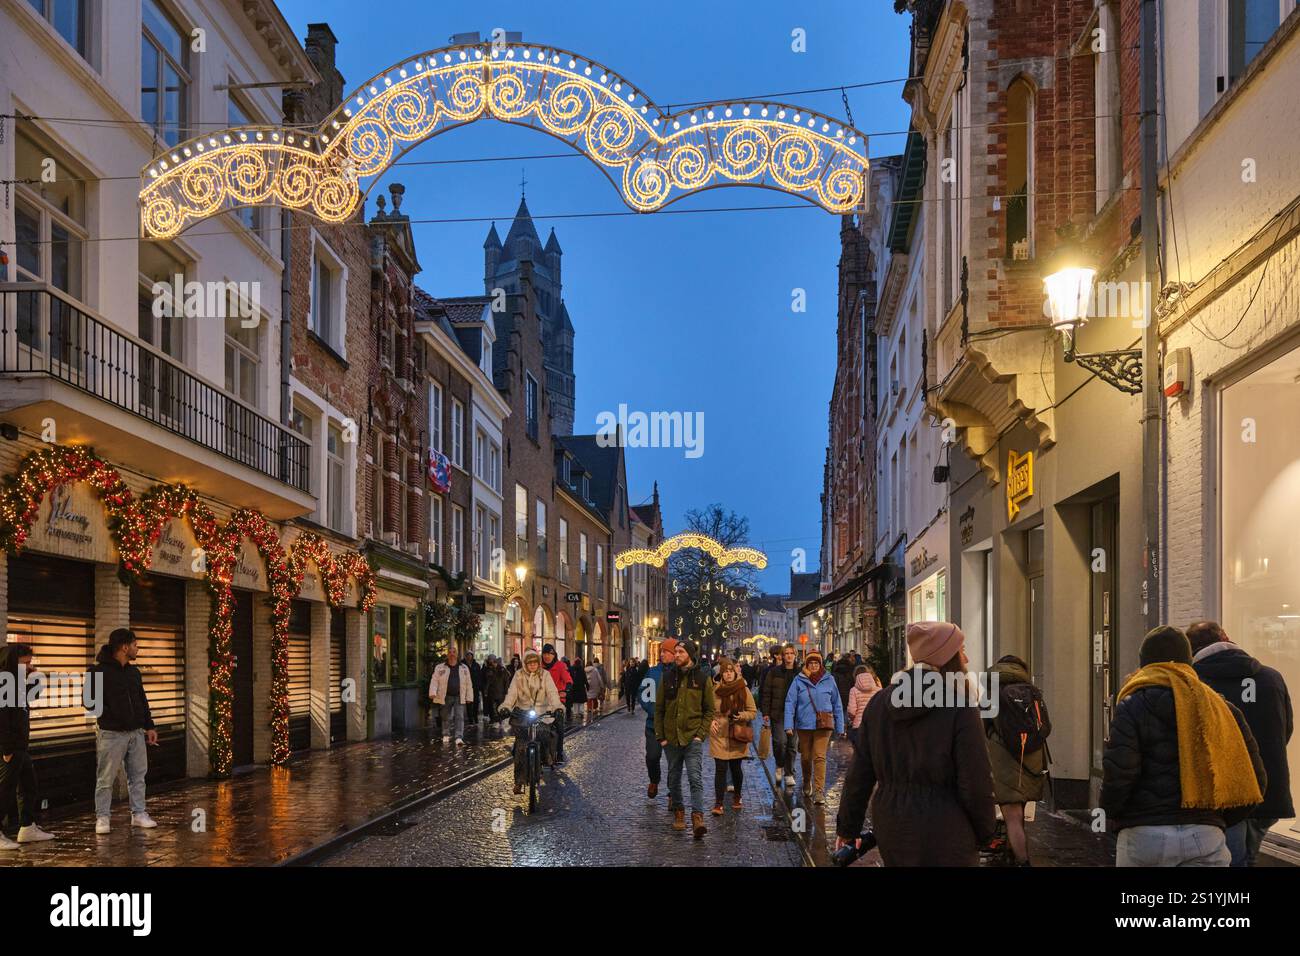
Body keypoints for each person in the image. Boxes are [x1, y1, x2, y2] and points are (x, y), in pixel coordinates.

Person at [1101, 626, 1266, 867]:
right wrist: (1215, 820)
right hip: (1205, 835)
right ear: (1189, 661)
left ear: (1145, 663)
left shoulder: (1132, 706)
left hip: (1145, 834)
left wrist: (1114, 815)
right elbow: (1253, 779)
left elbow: (1119, 774)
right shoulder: (1222, 708)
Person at [835, 622, 997, 866]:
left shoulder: (879, 704)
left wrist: (848, 828)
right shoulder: (960, 708)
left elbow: (860, 773)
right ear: (946, 659)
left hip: (892, 825)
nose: (966, 658)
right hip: (948, 828)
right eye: (961, 651)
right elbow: (975, 782)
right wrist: (985, 832)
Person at [1188, 620, 1294, 866]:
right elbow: (1285, 730)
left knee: (1232, 859)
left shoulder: (1195, 684)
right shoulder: (1271, 677)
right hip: (1269, 788)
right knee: (1248, 857)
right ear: (1225, 637)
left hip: (1226, 793)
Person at [90, 628, 159, 834]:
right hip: (111, 734)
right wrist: (113, 717)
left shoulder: (133, 672)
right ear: (124, 647)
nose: (138, 649)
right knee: (105, 779)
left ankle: (139, 814)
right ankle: (102, 817)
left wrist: (149, 726)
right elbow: (90, 703)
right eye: (135, 645)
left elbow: (142, 700)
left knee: (138, 776)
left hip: (136, 733)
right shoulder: (97, 672)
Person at [984, 655, 1050, 866]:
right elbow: (1045, 727)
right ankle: (1011, 855)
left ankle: (1022, 861)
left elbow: (982, 727)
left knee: (1012, 817)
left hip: (1004, 763)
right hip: (1030, 761)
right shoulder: (1032, 692)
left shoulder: (993, 693)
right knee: (1019, 815)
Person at [655, 639, 715, 839]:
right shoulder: (667, 677)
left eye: (681, 652)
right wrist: (661, 737)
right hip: (671, 738)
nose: (677, 655)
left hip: (692, 738)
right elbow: (659, 709)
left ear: (689, 654)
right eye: (676, 652)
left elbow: (709, 710)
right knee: (673, 779)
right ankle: (679, 812)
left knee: (695, 777)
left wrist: (700, 735)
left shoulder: (702, 678)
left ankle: (698, 817)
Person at [0, 643, 55, 848]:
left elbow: (33, 696)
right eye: (26, 663)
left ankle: (27, 827)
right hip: (10, 748)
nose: (29, 666)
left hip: (20, 746)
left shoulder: (16, 682)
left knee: (28, 786)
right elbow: (1, 719)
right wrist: (6, 749)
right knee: (4, 790)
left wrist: (35, 676)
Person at [783, 649, 844, 804]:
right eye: (811, 663)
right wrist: (788, 724)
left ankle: (819, 791)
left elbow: (837, 703)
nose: (814, 665)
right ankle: (806, 781)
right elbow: (790, 702)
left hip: (824, 724)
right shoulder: (799, 680)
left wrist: (840, 727)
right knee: (806, 757)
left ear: (821, 664)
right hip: (804, 725)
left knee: (819, 757)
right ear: (807, 664)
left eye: (817, 663)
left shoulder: (829, 679)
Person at [500, 650, 563, 793]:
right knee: (520, 747)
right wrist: (506, 707)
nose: (533, 665)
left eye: (535, 662)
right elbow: (512, 693)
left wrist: (557, 707)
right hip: (522, 713)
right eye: (530, 663)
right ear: (525, 664)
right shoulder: (518, 675)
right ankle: (518, 782)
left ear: (538, 663)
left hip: (542, 712)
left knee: (545, 734)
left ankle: (547, 756)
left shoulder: (545, 675)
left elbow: (552, 693)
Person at [709, 657, 756, 815]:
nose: (728, 674)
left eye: (731, 671)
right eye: (725, 672)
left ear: (735, 673)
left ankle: (737, 795)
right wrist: (711, 721)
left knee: (736, 768)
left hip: (737, 733)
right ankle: (718, 803)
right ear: (721, 674)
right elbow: (707, 709)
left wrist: (742, 716)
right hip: (719, 734)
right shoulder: (715, 690)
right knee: (720, 769)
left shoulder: (743, 689)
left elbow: (752, 712)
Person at [760, 643, 801, 787]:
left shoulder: (800, 673)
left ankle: (789, 773)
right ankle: (779, 764)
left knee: (792, 745)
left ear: (795, 655)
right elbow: (766, 692)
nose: (789, 656)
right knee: (780, 742)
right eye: (786, 653)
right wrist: (765, 712)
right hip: (778, 712)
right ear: (783, 656)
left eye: (791, 653)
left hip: (795, 714)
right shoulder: (774, 672)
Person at [641, 639, 677, 799]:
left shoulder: (681, 673)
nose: (662, 654)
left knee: (674, 762)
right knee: (652, 756)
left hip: (674, 727)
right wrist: (651, 710)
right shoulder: (653, 672)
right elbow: (643, 693)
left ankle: (672, 793)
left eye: (665, 651)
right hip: (653, 725)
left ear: (674, 654)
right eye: (661, 651)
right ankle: (654, 780)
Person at [428, 645, 474, 746]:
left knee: (459, 716)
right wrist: (432, 692)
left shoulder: (464, 668)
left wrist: (469, 697)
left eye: (454, 652)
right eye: (450, 652)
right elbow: (434, 680)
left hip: (459, 695)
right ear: (447, 654)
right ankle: (446, 734)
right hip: (446, 695)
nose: (452, 654)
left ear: (457, 655)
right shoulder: (440, 667)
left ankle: (459, 737)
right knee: (445, 716)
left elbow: (469, 683)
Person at [540, 645, 572, 765]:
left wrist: (567, 689)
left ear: (554, 655)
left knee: (559, 724)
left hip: (557, 700)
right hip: (541, 702)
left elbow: (568, 680)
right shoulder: (538, 667)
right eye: (545, 654)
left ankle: (559, 752)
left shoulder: (560, 666)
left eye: (550, 654)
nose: (547, 656)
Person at [846, 665, 881, 731]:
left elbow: (851, 711)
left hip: (859, 725)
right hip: (875, 725)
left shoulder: (853, 690)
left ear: (855, 676)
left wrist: (852, 719)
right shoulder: (878, 690)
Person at [482, 656, 512, 731]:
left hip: (500, 692)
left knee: (500, 707)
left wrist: (506, 691)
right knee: (494, 708)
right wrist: (486, 691)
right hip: (493, 692)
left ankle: (501, 721)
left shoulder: (502, 670)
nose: (493, 664)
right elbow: (488, 681)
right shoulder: (491, 670)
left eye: (494, 662)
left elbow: (506, 681)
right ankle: (497, 721)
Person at [568, 655, 589, 723]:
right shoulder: (581, 669)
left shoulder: (572, 668)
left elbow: (569, 677)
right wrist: (587, 686)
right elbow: (585, 679)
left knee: (575, 701)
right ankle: (581, 712)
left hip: (574, 687)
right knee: (581, 702)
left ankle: (576, 713)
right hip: (581, 687)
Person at [465, 651, 483, 724]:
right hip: (466, 687)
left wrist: (479, 686)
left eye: (470, 655)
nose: (469, 657)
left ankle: (475, 717)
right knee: (468, 703)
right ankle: (470, 718)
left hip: (475, 687)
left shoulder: (476, 665)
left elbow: (479, 676)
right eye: (468, 655)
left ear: (472, 656)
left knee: (476, 702)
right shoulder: (463, 665)